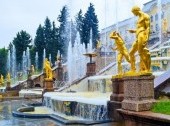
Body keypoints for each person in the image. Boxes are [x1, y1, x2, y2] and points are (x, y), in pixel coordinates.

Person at [128, 6, 151, 75]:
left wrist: (147, 37)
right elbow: (140, 28)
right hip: (138, 36)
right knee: (131, 52)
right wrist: (134, 31)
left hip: (142, 35)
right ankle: (133, 69)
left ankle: (147, 69)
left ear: (136, 11)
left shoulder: (145, 16)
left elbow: (148, 28)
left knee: (141, 52)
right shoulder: (139, 18)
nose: (133, 14)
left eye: (133, 12)